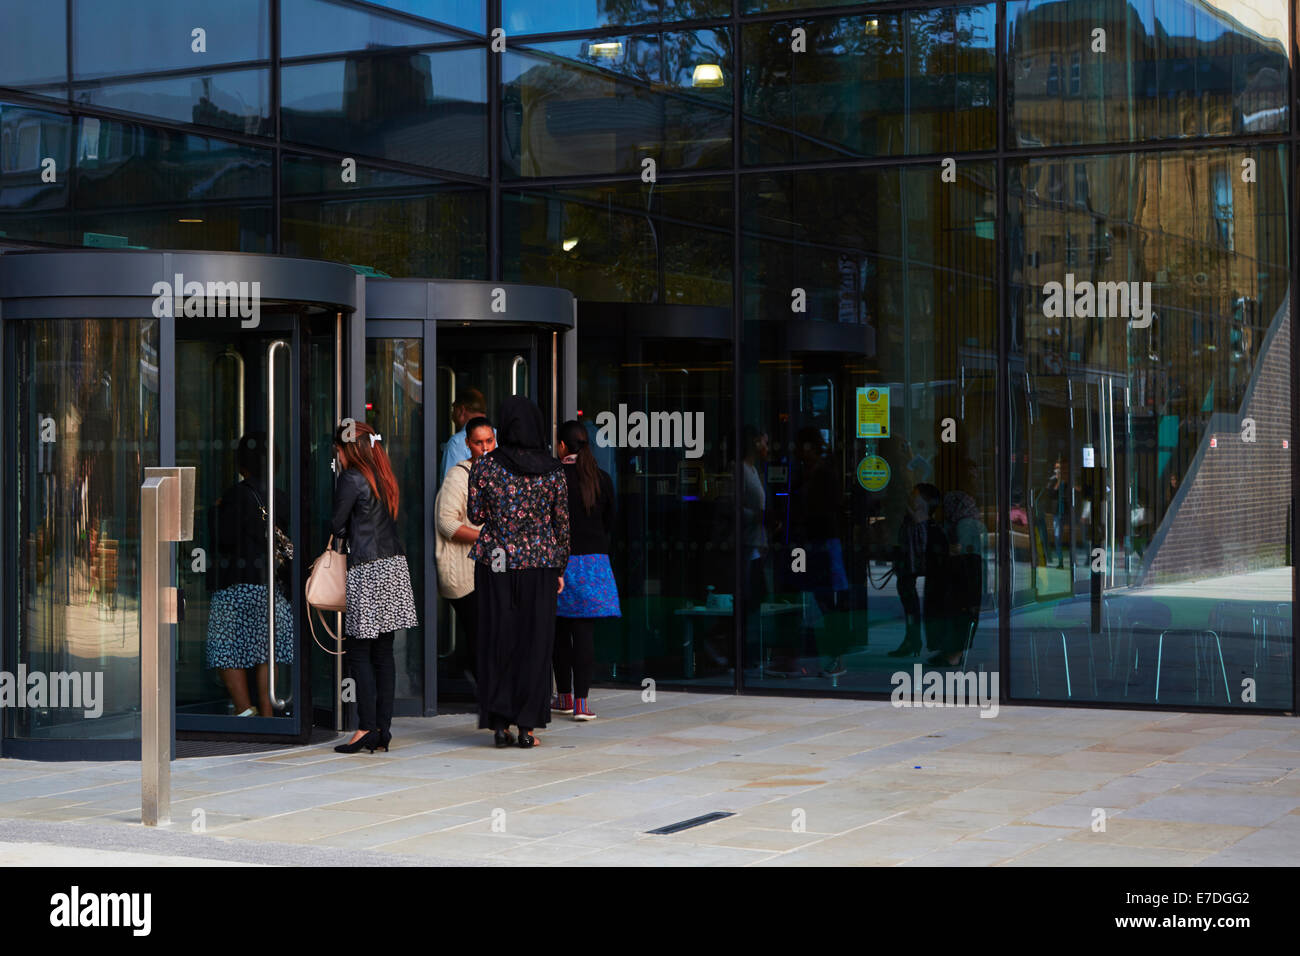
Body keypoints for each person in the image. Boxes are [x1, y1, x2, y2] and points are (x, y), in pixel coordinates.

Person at [468, 397, 569, 748]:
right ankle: (527, 727)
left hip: (496, 562)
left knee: (497, 639)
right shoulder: (554, 470)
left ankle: (499, 724)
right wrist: (559, 567)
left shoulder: (486, 466)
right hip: (540, 564)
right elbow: (562, 525)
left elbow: (476, 515)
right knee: (535, 643)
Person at [331, 421, 419, 754]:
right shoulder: (383, 475)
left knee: (359, 653)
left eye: (338, 450)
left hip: (367, 569)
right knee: (383, 652)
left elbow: (336, 524)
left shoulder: (351, 478)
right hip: (394, 566)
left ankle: (365, 727)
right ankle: (382, 728)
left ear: (346, 449)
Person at [206, 433, 293, 716]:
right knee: (266, 653)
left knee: (225, 648)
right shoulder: (281, 498)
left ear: (241, 463)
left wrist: (215, 513)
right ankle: (268, 712)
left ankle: (245, 711)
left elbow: (225, 540)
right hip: (271, 588)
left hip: (236, 587)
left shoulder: (236, 495)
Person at [552, 420, 620, 721]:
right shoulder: (601, 478)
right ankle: (582, 704)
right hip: (593, 564)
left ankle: (563, 697)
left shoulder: (553, 478)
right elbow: (610, 521)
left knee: (559, 632)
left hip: (561, 563)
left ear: (563, 446)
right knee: (584, 634)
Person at [435, 415, 496, 684]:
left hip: (490, 569)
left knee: (489, 635)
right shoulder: (458, 477)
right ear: (467, 445)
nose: (485, 448)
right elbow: (447, 523)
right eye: (478, 442)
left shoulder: (499, 474)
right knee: (481, 635)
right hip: (464, 572)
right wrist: (488, 538)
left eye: (490, 441)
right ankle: (484, 694)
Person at [886, 483, 947, 658]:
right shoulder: (914, 522)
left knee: (915, 603)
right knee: (910, 603)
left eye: (915, 495)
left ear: (924, 502)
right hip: (909, 567)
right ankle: (913, 640)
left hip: (912, 567)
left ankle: (915, 641)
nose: (911, 497)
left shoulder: (919, 524)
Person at [440, 387, 489, 482]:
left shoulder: (456, 443)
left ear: (461, 411)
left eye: (453, 409)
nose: (452, 416)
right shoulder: (499, 436)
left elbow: (450, 488)